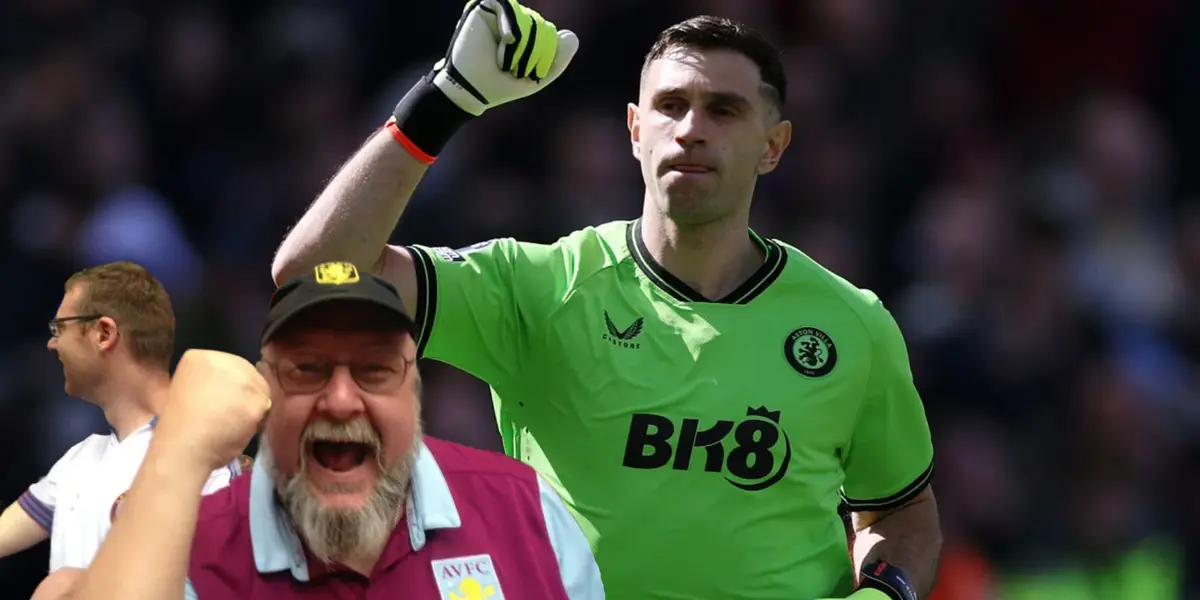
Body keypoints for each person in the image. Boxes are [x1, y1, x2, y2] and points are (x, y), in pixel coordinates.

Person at [271, 1, 941, 597]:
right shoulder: (539, 288)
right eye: (670, 106)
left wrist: (886, 594)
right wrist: (448, 98)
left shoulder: (852, 324)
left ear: (774, 146)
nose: (690, 129)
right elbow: (311, 273)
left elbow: (903, 516)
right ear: (633, 130)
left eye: (724, 110)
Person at [71, 261, 603, 600]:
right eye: (308, 370)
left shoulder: (527, 512)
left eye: (374, 370)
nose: (343, 400)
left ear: (412, 390)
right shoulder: (186, 554)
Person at [0, 262, 241, 591]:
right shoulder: (79, 459)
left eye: (59, 329)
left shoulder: (203, 456)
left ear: (104, 334)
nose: (51, 344)